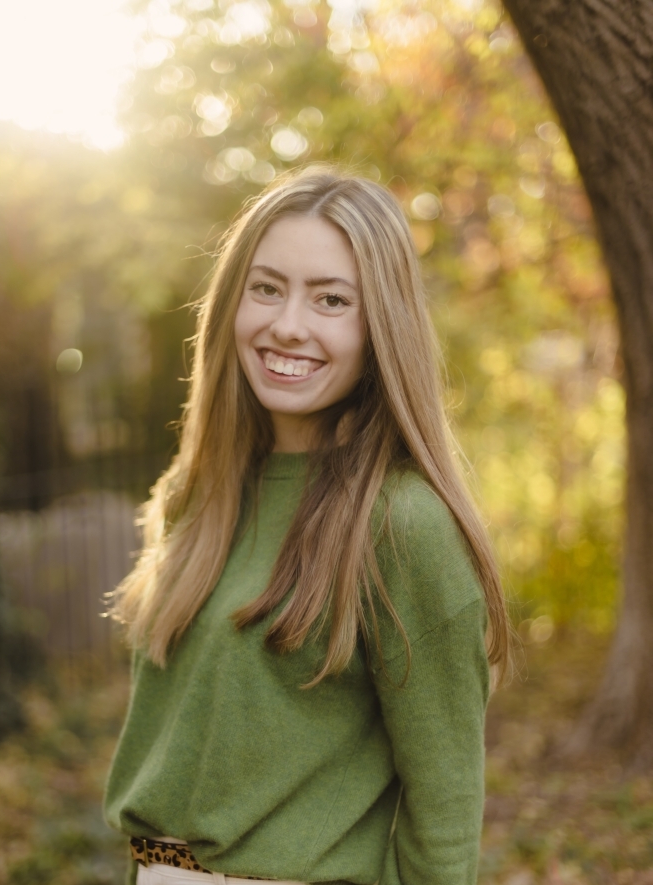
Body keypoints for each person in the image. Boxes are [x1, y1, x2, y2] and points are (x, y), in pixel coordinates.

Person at [103, 165, 510, 885]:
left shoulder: (401, 524)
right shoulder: (195, 493)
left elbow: (445, 815)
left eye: (331, 299)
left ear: (379, 323)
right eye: (267, 287)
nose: (287, 324)